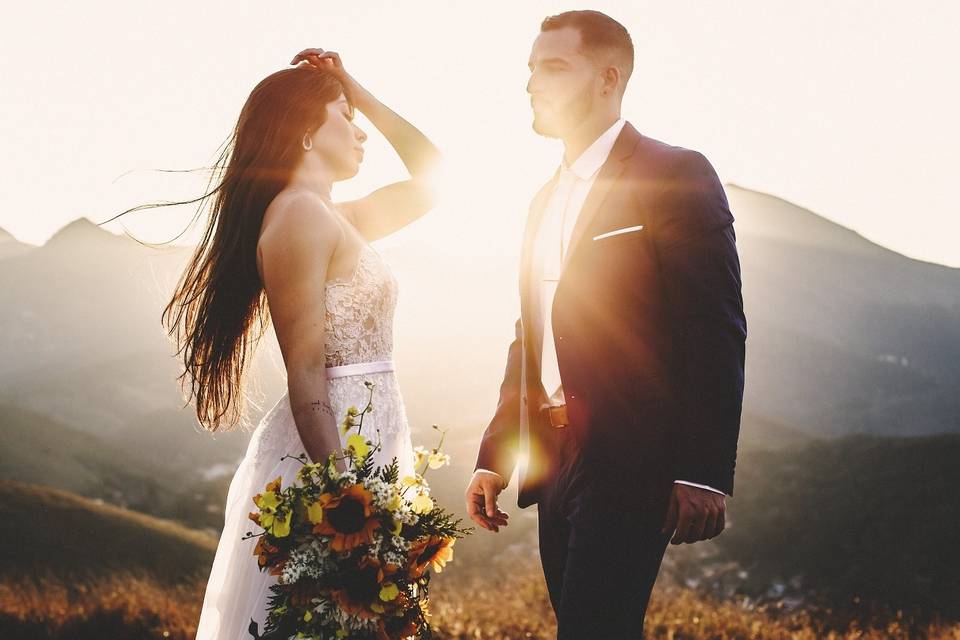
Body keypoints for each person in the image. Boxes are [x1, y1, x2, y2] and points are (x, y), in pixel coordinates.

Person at [464, 10, 747, 639]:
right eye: (531, 68)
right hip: (554, 460)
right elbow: (529, 337)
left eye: (554, 67)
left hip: (631, 458)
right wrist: (497, 454)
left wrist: (703, 470)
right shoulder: (540, 199)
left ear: (608, 78)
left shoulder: (675, 173)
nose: (533, 82)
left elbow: (715, 327)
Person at [150, 48, 441, 639]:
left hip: (368, 441)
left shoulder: (334, 216)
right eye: (345, 114)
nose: (360, 130)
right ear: (307, 131)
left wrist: (353, 86)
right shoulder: (300, 217)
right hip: (332, 456)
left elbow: (433, 176)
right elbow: (305, 374)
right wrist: (345, 500)